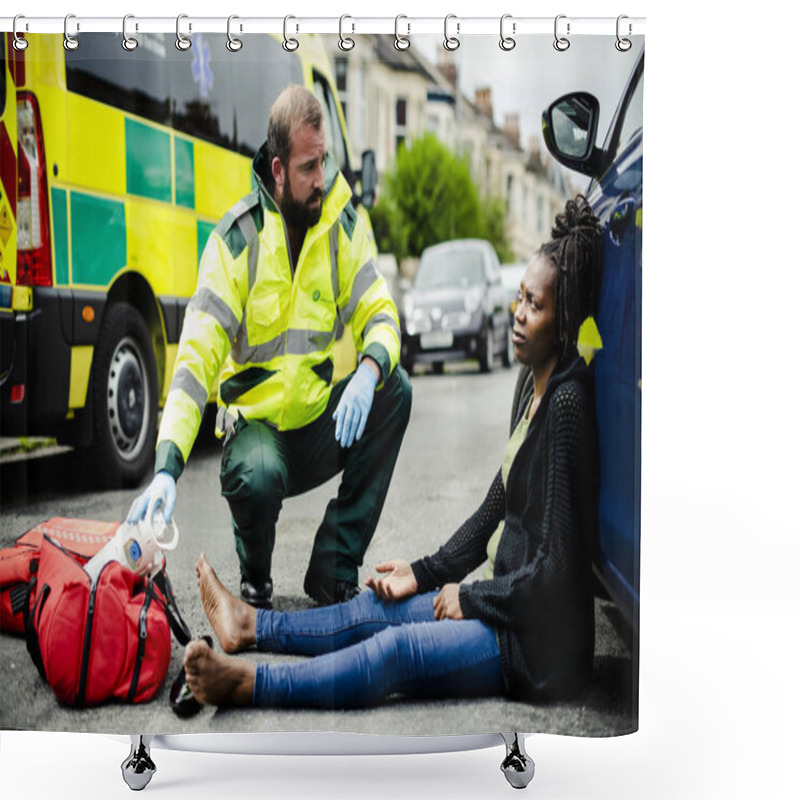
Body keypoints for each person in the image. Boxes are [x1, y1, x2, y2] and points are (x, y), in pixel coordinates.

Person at [182, 195, 603, 709]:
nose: (517, 315)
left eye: (535, 306)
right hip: (505, 606)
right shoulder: (533, 390)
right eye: (519, 298)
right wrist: (422, 575)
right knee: (372, 609)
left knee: (394, 651)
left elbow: (555, 571)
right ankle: (249, 624)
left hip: (532, 645)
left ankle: (248, 684)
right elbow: (493, 511)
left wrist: (469, 597)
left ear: (564, 324)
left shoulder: (567, 406)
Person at [128, 85, 412, 608]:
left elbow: (382, 312)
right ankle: (256, 576)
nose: (321, 180)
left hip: (317, 426)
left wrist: (369, 372)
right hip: (258, 443)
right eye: (308, 168)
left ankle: (332, 567)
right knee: (258, 474)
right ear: (278, 170)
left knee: (396, 389)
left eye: (324, 161)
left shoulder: (342, 227)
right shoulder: (236, 242)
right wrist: (166, 467)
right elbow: (194, 364)